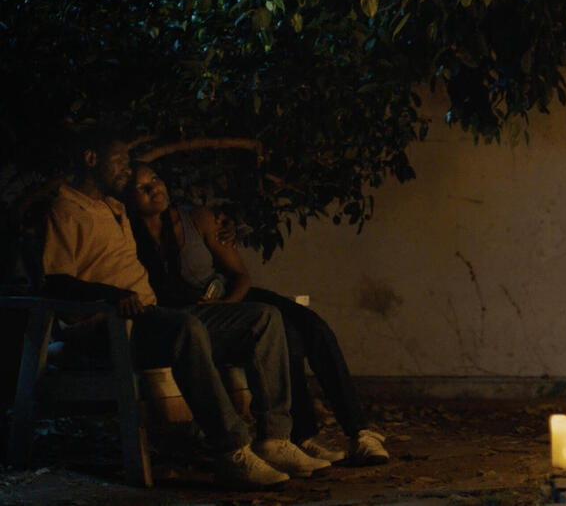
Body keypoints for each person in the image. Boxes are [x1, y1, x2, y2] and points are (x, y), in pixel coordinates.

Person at [41, 130, 331, 489]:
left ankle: (273, 439)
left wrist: (222, 223)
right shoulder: (64, 209)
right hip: (107, 326)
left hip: (151, 318)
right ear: (90, 159)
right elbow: (53, 281)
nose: (126, 170)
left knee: (263, 318)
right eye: (119, 161)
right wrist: (110, 294)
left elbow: (170, 216)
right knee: (185, 328)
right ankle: (231, 451)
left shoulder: (114, 207)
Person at [126, 161, 389, 466]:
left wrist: (230, 305)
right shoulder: (125, 235)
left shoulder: (196, 218)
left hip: (232, 297)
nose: (154, 189)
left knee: (312, 326)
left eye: (156, 179)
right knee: (287, 338)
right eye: (142, 187)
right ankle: (300, 438)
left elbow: (240, 275)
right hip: (199, 316)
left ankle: (360, 431)